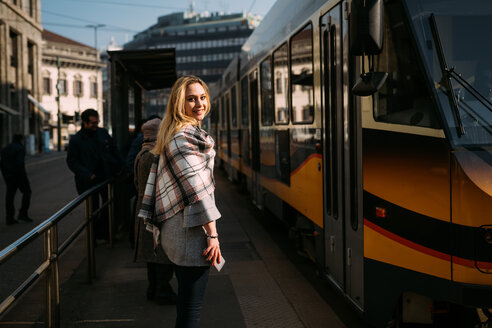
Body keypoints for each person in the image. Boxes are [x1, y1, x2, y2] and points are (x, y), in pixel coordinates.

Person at [139, 76, 222, 328]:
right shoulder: (184, 138)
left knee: (187, 306)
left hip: (179, 232)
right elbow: (198, 193)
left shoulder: (181, 134)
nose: (199, 103)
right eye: (191, 99)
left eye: (202, 97)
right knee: (191, 310)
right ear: (179, 103)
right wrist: (213, 235)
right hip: (190, 234)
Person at [133, 117, 176, 305]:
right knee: (162, 254)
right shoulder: (155, 156)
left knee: (151, 253)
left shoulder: (141, 153)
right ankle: (162, 290)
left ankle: (153, 288)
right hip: (157, 210)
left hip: (144, 207)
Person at [66, 108, 125, 240]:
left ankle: (105, 233)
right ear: (84, 123)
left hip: (105, 177)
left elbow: (114, 150)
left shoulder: (102, 133)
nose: (95, 125)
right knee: (92, 210)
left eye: (96, 122)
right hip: (88, 181)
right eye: (92, 123)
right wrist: (87, 174)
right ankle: (93, 238)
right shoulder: (76, 140)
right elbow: (72, 161)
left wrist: (121, 166)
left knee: (107, 207)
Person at [0, 133, 33, 225]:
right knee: (27, 192)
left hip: (9, 176)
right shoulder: (20, 148)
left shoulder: (5, 149)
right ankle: (23, 213)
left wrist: (6, 176)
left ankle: (9, 217)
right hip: (18, 176)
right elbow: (20, 164)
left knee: (9, 197)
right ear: (21, 139)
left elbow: (2, 164)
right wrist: (23, 177)